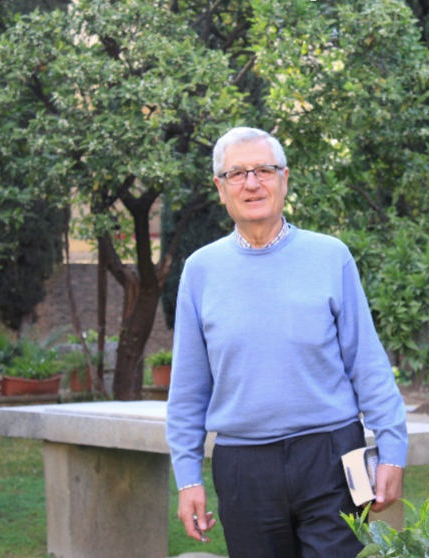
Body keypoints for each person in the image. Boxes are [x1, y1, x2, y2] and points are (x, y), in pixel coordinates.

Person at [165, 126, 407, 558]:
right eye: (237, 173)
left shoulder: (331, 256)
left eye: (264, 170)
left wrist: (392, 451)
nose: (252, 182)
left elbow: (366, 363)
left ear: (284, 179)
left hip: (333, 456)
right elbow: (187, 388)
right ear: (220, 188)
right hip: (242, 466)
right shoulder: (200, 271)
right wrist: (188, 478)